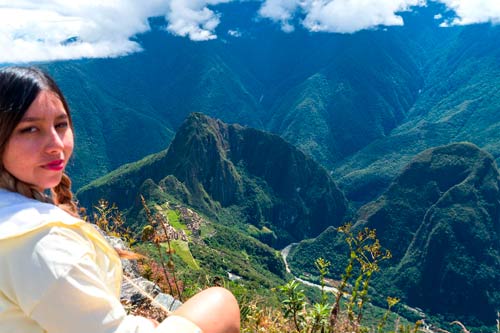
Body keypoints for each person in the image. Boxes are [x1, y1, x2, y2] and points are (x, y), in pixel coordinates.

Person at [0, 66, 240, 333]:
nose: (55, 143)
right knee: (221, 302)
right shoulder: (42, 246)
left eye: (61, 124)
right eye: (30, 129)